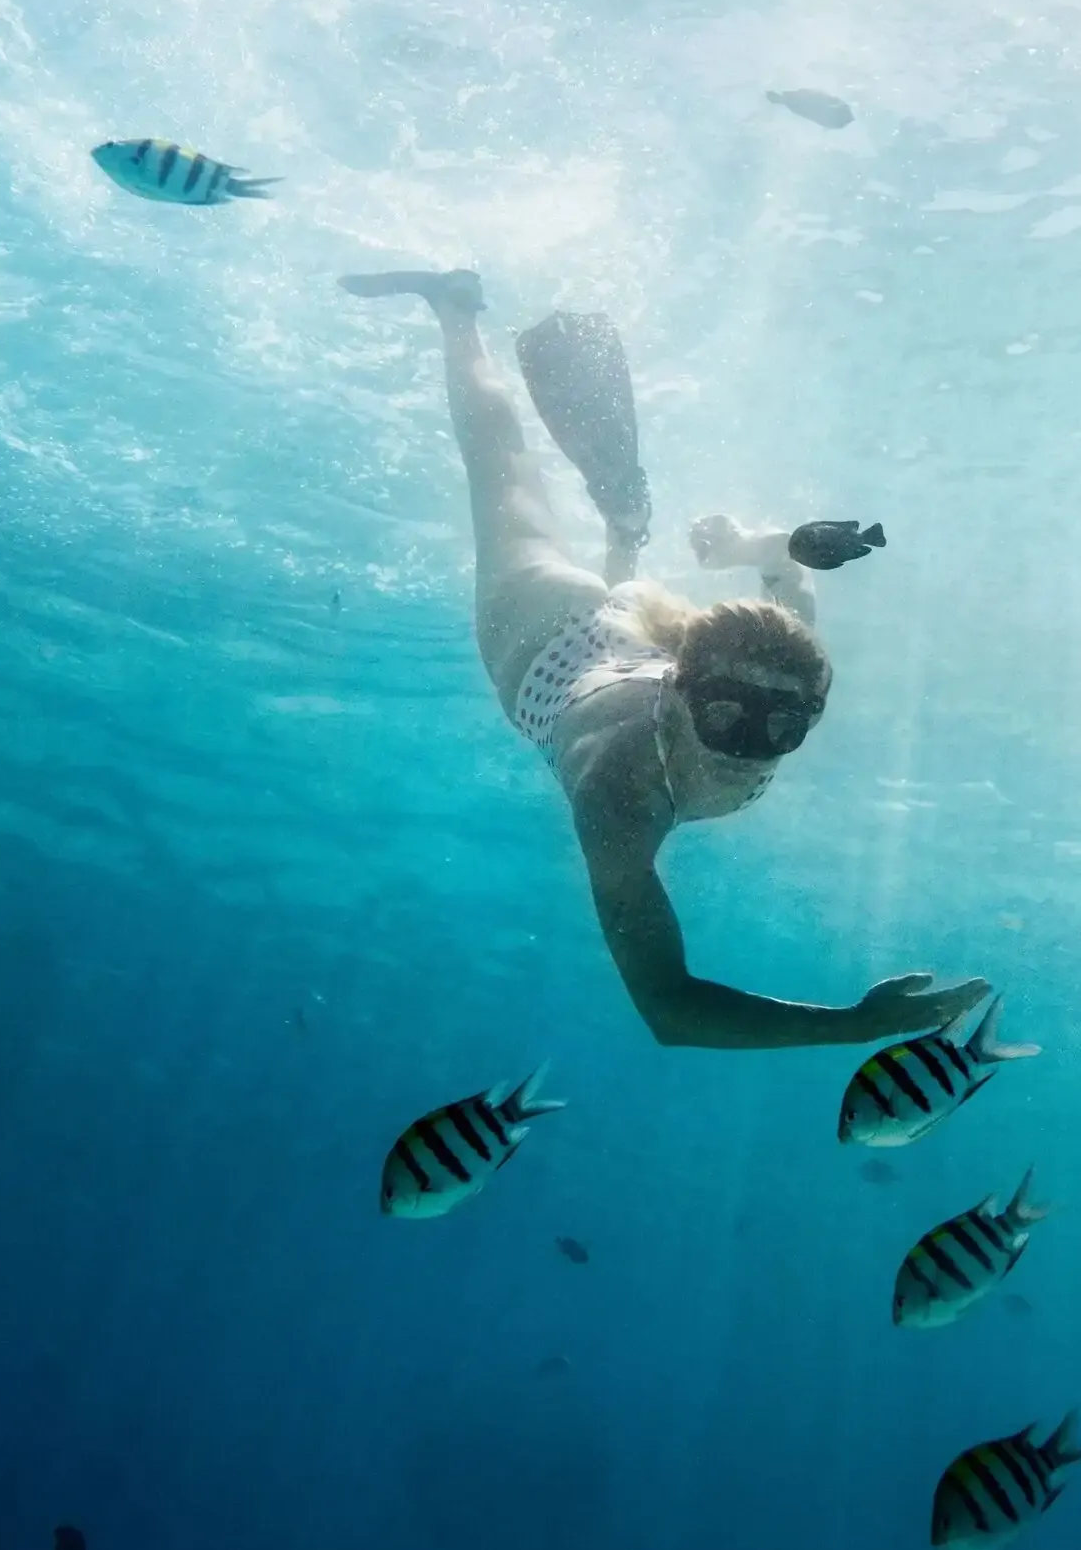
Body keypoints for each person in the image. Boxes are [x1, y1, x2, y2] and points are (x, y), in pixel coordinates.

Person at [341, 267, 987, 1049]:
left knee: (788, 607)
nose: (752, 749)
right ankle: (454, 309)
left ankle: (659, 533)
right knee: (502, 471)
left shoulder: (770, 668)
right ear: (677, 694)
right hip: (547, 640)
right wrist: (852, 1025)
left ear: (809, 715)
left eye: (783, 728)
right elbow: (669, 1011)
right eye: (724, 717)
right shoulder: (618, 797)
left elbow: (781, 632)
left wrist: (773, 557)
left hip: (661, 649)